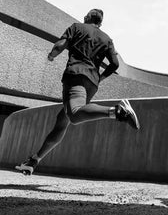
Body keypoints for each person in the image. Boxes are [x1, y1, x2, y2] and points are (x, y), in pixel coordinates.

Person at [15, 9, 140, 176]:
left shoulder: (76, 27)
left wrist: (51, 56)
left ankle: (118, 111)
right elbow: (115, 64)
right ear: (100, 23)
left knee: (74, 114)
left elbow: (59, 45)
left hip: (75, 76)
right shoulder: (107, 39)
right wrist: (100, 77)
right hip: (92, 83)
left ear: (87, 17)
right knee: (62, 120)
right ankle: (34, 161)